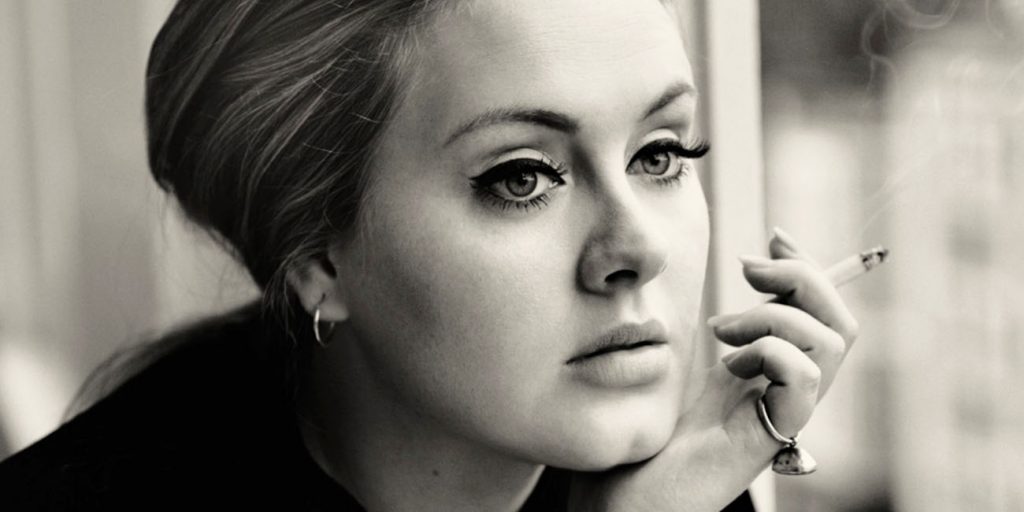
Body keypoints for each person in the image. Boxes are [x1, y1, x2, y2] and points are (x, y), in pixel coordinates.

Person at [0, 0, 859, 510]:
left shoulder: (673, 477)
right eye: (522, 177)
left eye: (660, 155)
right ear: (317, 258)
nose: (638, 249)